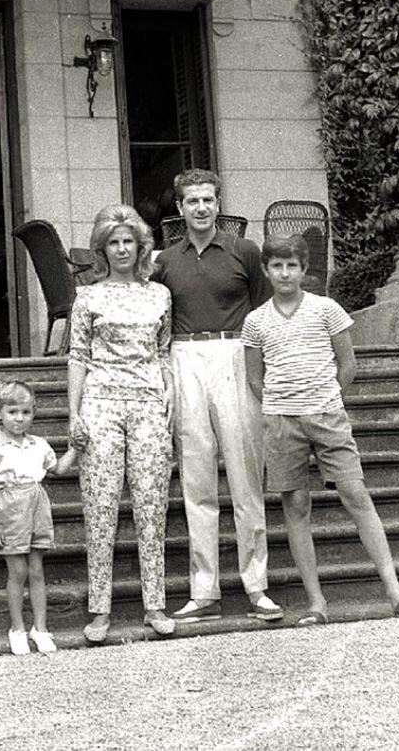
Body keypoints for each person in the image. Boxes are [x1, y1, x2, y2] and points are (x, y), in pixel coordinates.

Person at [242, 234, 399, 625]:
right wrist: (280, 407)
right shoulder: (256, 321)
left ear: (304, 270)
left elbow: (348, 366)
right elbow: (254, 378)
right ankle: (316, 603)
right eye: (277, 265)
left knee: (355, 494)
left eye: (292, 265)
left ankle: (395, 591)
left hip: (327, 416)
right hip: (281, 421)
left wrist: (326, 401)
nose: (285, 273)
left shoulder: (326, 309)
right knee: (295, 505)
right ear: (266, 270)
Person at [152, 169, 283, 623]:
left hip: (235, 353)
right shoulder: (166, 261)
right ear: (180, 209)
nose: (201, 208)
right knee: (196, 478)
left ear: (218, 204)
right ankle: (204, 590)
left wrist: (262, 374)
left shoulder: (245, 251)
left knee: (247, 477)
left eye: (208, 200)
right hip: (185, 357)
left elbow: (266, 316)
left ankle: (257, 585)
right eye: (192, 202)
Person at [68, 204, 177, 643]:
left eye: (128, 241)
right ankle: (100, 610)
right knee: (100, 507)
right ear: (102, 249)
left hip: (149, 403)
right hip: (100, 405)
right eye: (113, 242)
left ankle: (155, 606)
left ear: (141, 245)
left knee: (152, 505)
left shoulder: (159, 295)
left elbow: (164, 349)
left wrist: (170, 389)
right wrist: (73, 413)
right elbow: (78, 356)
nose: (122, 249)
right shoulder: (88, 296)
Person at [0, 380, 79, 655]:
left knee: (37, 570)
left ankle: (40, 628)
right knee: (17, 571)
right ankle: (17, 628)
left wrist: (75, 448)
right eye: (12, 412)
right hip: (9, 510)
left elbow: (58, 469)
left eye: (26, 412)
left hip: (37, 508)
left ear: (33, 413)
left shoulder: (39, 445)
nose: (19, 418)